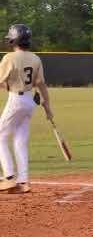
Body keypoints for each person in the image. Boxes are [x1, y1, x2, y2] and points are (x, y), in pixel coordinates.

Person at [0, 24, 54, 194]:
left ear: (13, 39)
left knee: (0, 136)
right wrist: (47, 104)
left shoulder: (9, 57)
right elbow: (41, 84)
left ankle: (9, 177)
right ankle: (24, 181)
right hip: (30, 101)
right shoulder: (36, 58)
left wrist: (7, 85)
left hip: (16, 100)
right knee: (20, 140)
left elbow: (1, 81)